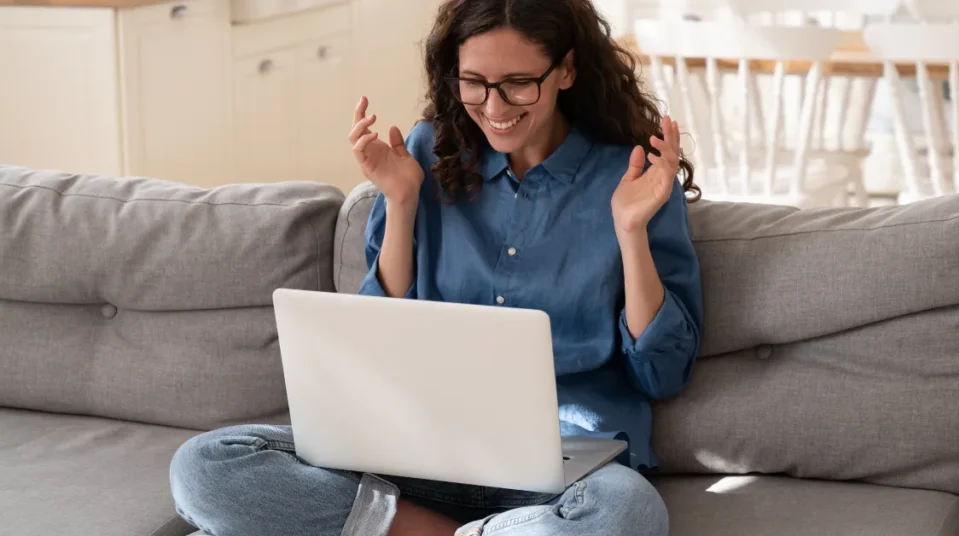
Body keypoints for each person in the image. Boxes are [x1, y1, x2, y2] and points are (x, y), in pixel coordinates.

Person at [168, 0, 703, 534]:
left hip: (565, 461)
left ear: (566, 69)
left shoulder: (632, 175)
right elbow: (375, 343)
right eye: (474, 82)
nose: (494, 106)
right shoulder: (429, 152)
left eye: (518, 83)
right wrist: (401, 203)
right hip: (416, 448)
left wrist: (630, 232)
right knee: (205, 466)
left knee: (627, 512)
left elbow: (661, 372)